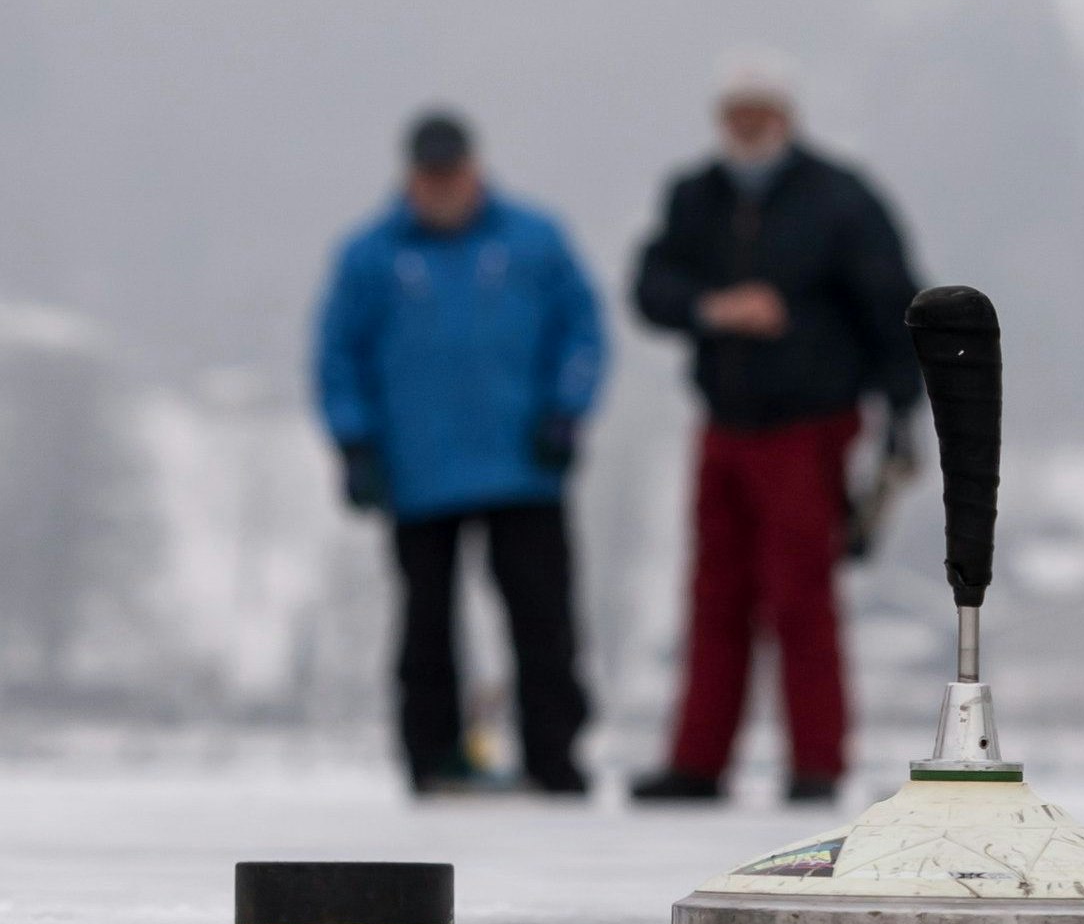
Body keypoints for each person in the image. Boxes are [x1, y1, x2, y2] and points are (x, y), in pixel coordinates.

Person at [630, 57, 921, 804]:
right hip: (725, 424)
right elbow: (650, 285)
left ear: (787, 115)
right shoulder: (695, 197)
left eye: (760, 112)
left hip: (810, 424)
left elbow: (894, 306)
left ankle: (817, 763)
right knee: (714, 594)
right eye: (735, 113)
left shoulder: (842, 199)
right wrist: (712, 306)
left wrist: (901, 415)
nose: (747, 126)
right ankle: (698, 761)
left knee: (801, 597)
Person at [314, 111, 605, 796]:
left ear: (475, 169)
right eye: (430, 175)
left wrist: (567, 412)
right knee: (425, 624)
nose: (442, 187)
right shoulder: (369, 255)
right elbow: (337, 355)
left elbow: (583, 331)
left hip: (523, 467)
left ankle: (554, 757)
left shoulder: (535, 239)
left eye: (453, 173)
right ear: (410, 175)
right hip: (417, 473)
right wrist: (354, 441)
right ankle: (431, 757)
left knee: (544, 619)